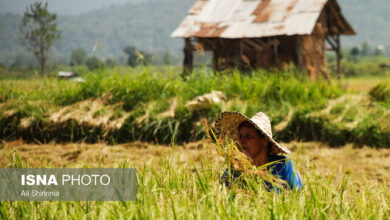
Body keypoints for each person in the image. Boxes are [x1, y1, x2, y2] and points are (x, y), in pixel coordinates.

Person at [214, 111, 303, 192]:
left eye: (249, 136)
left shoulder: (283, 165)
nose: (242, 141)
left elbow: (298, 196)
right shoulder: (235, 169)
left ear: (264, 140)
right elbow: (223, 199)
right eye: (240, 136)